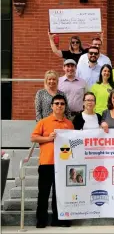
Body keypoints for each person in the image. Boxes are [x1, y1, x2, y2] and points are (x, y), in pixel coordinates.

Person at [31, 94, 74, 228]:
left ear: (65, 106)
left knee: (59, 194)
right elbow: (33, 138)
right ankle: (41, 220)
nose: (59, 106)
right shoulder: (44, 122)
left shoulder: (69, 124)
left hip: (62, 163)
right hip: (46, 163)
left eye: (62, 103)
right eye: (57, 103)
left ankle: (58, 220)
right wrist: (48, 138)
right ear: (51, 106)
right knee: (43, 193)